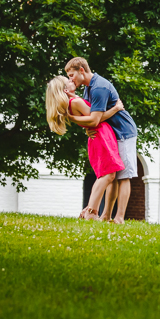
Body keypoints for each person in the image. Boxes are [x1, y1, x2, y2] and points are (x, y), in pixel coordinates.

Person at [65, 57, 138, 224]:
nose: (71, 79)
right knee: (112, 173)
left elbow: (95, 119)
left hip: (123, 131)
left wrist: (73, 118)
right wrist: (87, 129)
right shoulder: (88, 89)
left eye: (71, 75)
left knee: (124, 175)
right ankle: (106, 215)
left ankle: (119, 217)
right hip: (111, 133)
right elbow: (91, 118)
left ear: (81, 70)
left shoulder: (99, 87)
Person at [44, 75, 124, 220]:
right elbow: (96, 119)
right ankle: (91, 211)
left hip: (97, 136)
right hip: (101, 136)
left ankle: (91, 210)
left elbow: (89, 120)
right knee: (108, 175)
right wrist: (116, 109)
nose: (71, 80)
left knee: (107, 175)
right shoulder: (76, 102)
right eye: (68, 80)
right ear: (64, 89)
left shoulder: (72, 102)